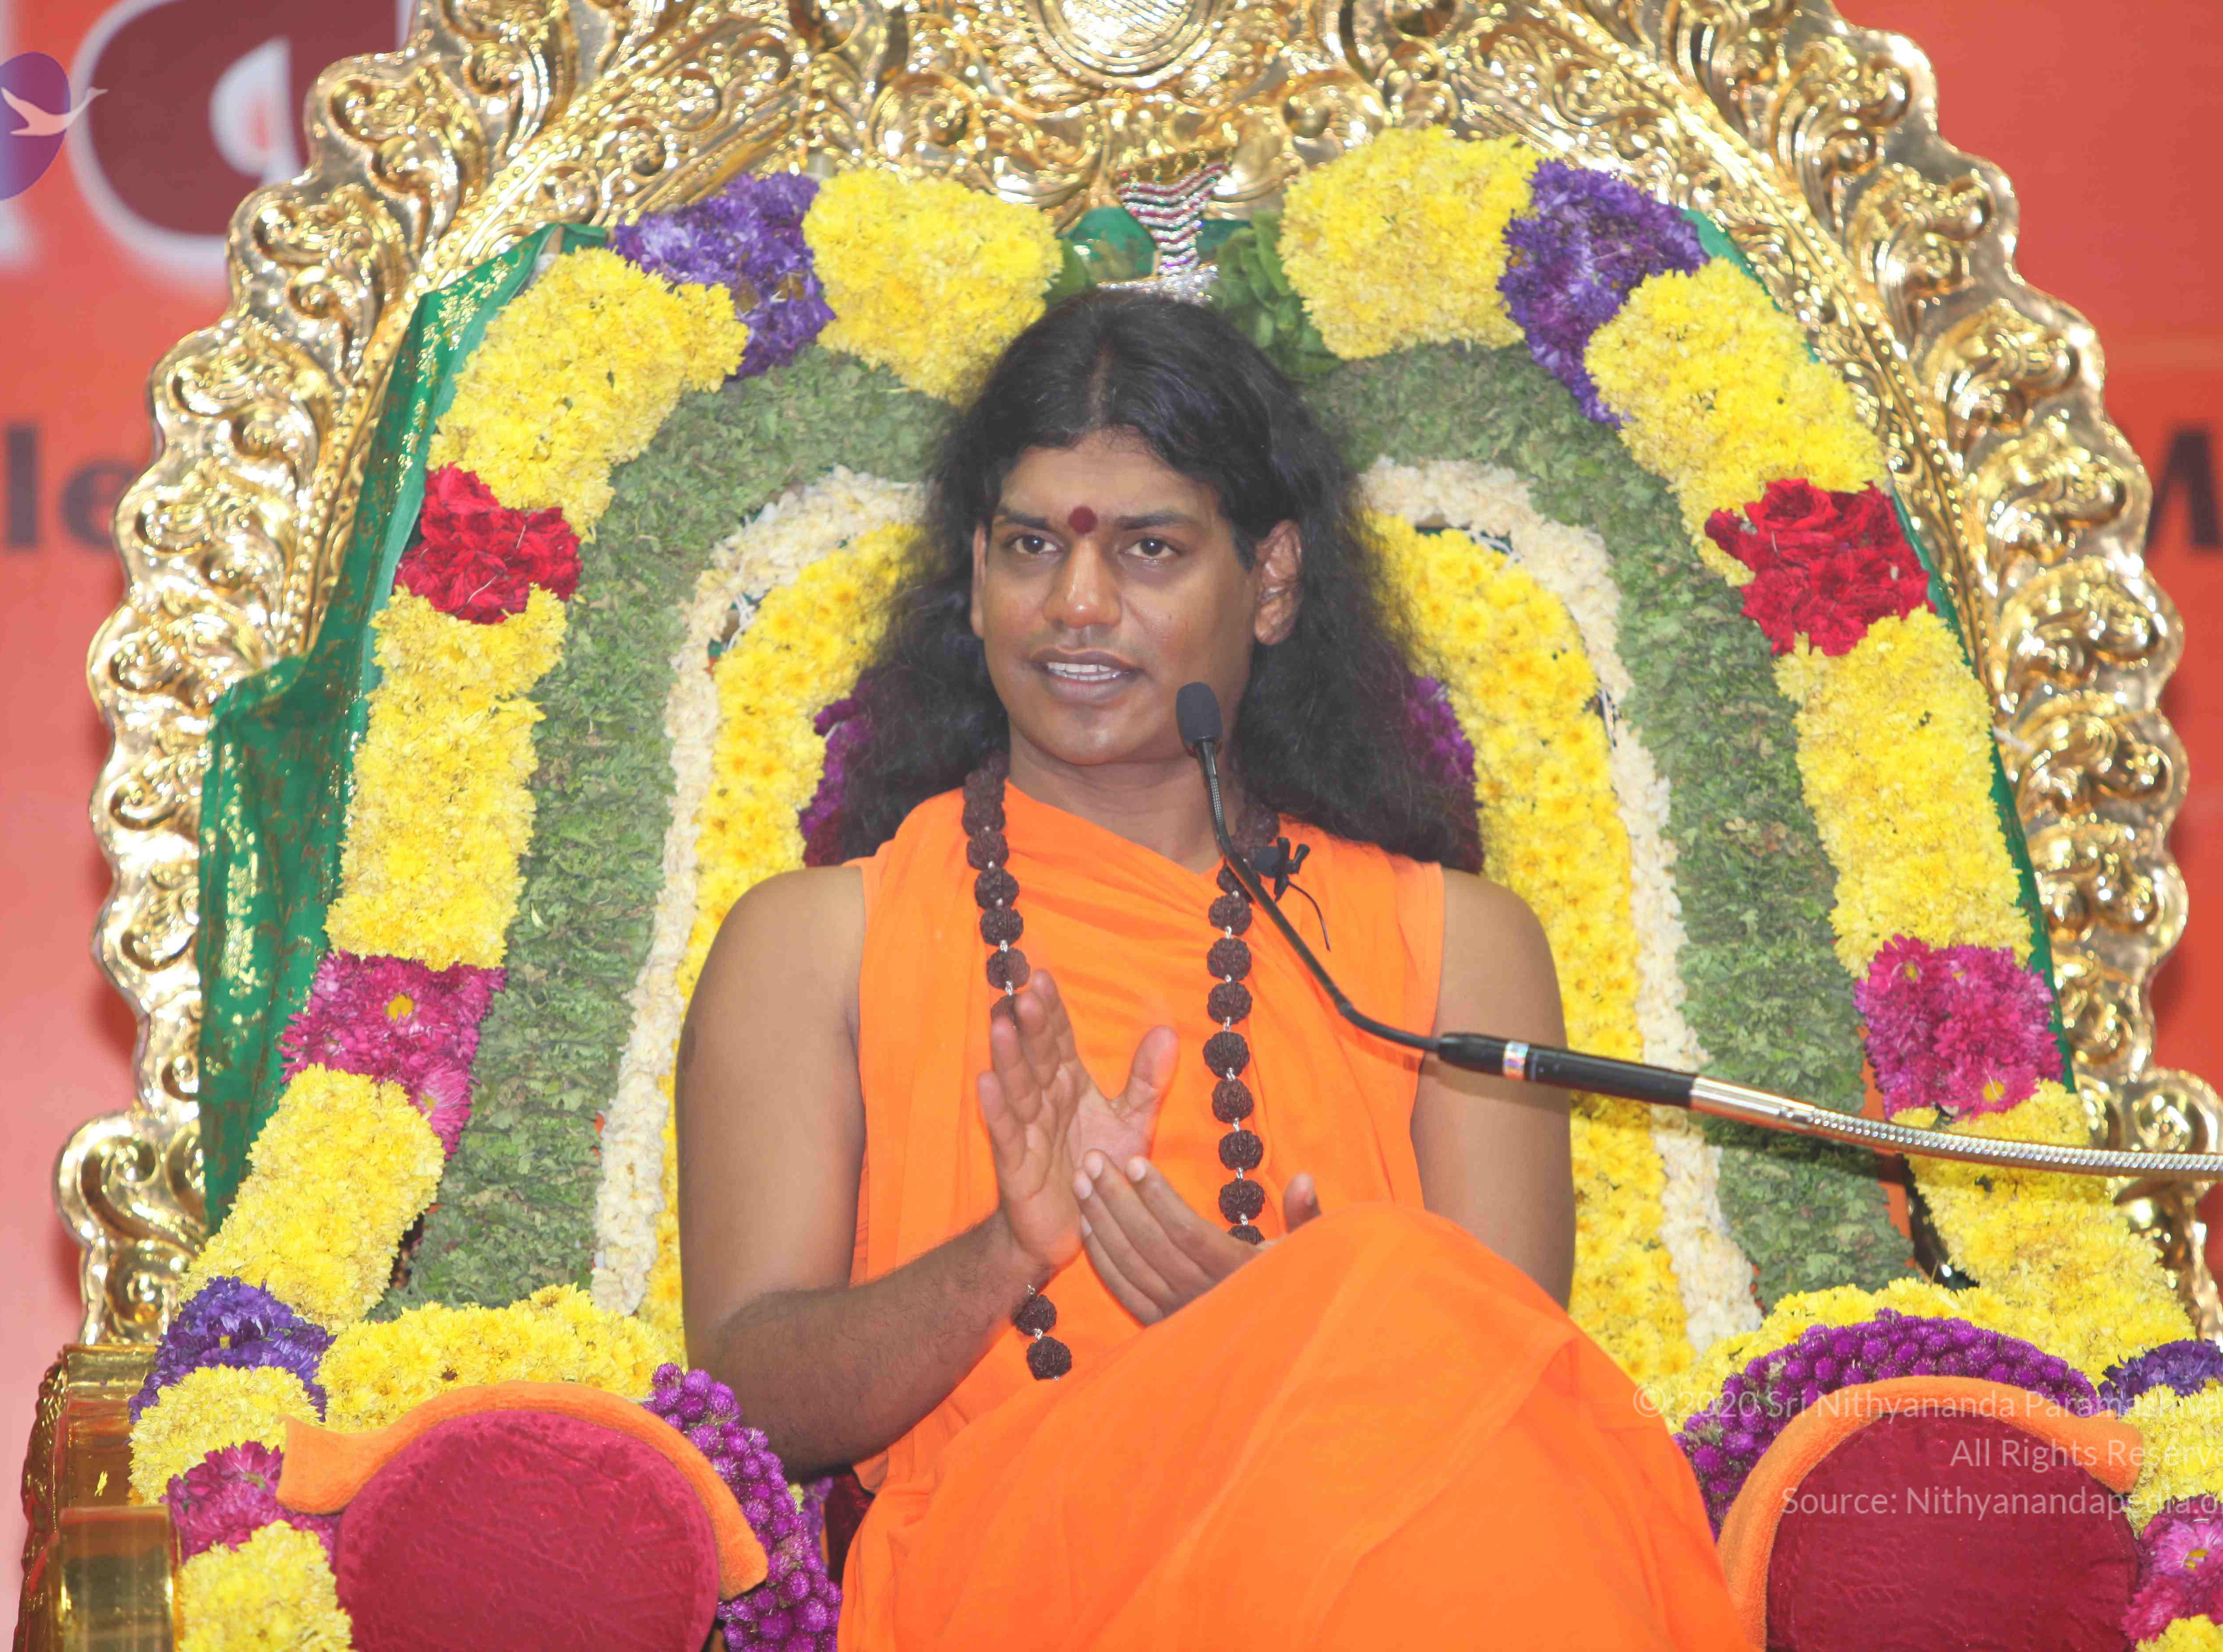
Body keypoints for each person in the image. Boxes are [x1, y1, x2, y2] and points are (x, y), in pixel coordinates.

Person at [675, 291, 1750, 1649]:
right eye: (1030, 546)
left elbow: (1510, 1397)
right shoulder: (817, 943)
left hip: (1393, 1559)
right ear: (977, 577)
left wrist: (1300, 1327)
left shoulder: (1458, 950)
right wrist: (1003, 1256)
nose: (1077, 606)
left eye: (1151, 549)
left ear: (1274, 580)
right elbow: (750, 1396)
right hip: (1020, 1570)